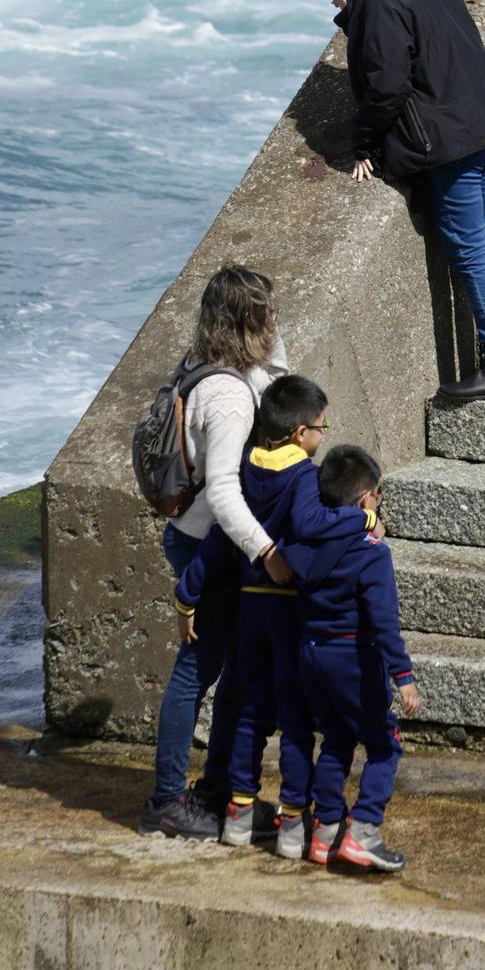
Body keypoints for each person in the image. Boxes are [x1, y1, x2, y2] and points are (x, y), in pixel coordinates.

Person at [323, 0, 485, 402]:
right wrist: (353, 11)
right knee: (481, 240)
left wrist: (362, 145)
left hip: (452, 145)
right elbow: (416, 43)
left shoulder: (385, 1)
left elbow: (385, 82)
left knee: (471, 245)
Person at [172, 374, 376, 856]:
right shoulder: (303, 473)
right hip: (287, 613)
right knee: (295, 718)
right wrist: (361, 518)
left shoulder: (248, 468)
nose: (322, 438)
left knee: (249, 711)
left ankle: (239, 813)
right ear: (300, 433)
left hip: (249, 606)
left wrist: (187, 596)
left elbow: (223, 537)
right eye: (321, 429)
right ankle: (290, 824)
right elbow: (309, 523)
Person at [140, 265, 299, 839]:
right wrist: (268, 552)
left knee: (229, 667)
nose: (277, 323)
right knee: (196, 672)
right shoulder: (229, 398)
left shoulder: (202, 365)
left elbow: (278, 378)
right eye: (268, 315)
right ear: (248, 322)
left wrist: (266, 327)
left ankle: (216, 788)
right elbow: (227, 492)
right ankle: (165, 801)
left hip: (197, 537)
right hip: (211, 547)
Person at [285, 442, 419, 872]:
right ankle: (363, 829)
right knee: (384, 745)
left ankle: (324, 833)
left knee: (338, 740)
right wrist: (403, 676)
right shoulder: (371, 553)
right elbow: (383, 621)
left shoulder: (302, 543)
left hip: (311, 654)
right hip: (353, 658)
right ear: (366, 499)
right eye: (379, 495)